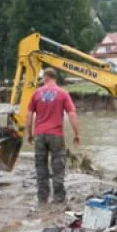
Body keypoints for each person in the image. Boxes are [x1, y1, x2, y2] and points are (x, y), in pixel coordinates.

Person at [26, 68, 81, 205]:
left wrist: (29, 133)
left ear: (45, 78)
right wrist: (77, 134)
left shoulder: (36, 93)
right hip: (56, 135)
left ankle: (42, 198)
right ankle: (58, 199)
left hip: (39, 134)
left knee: (41, 168)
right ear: (55, 78)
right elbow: (72, 114)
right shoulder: (63, 93)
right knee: (58, 168)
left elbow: (28, 115)